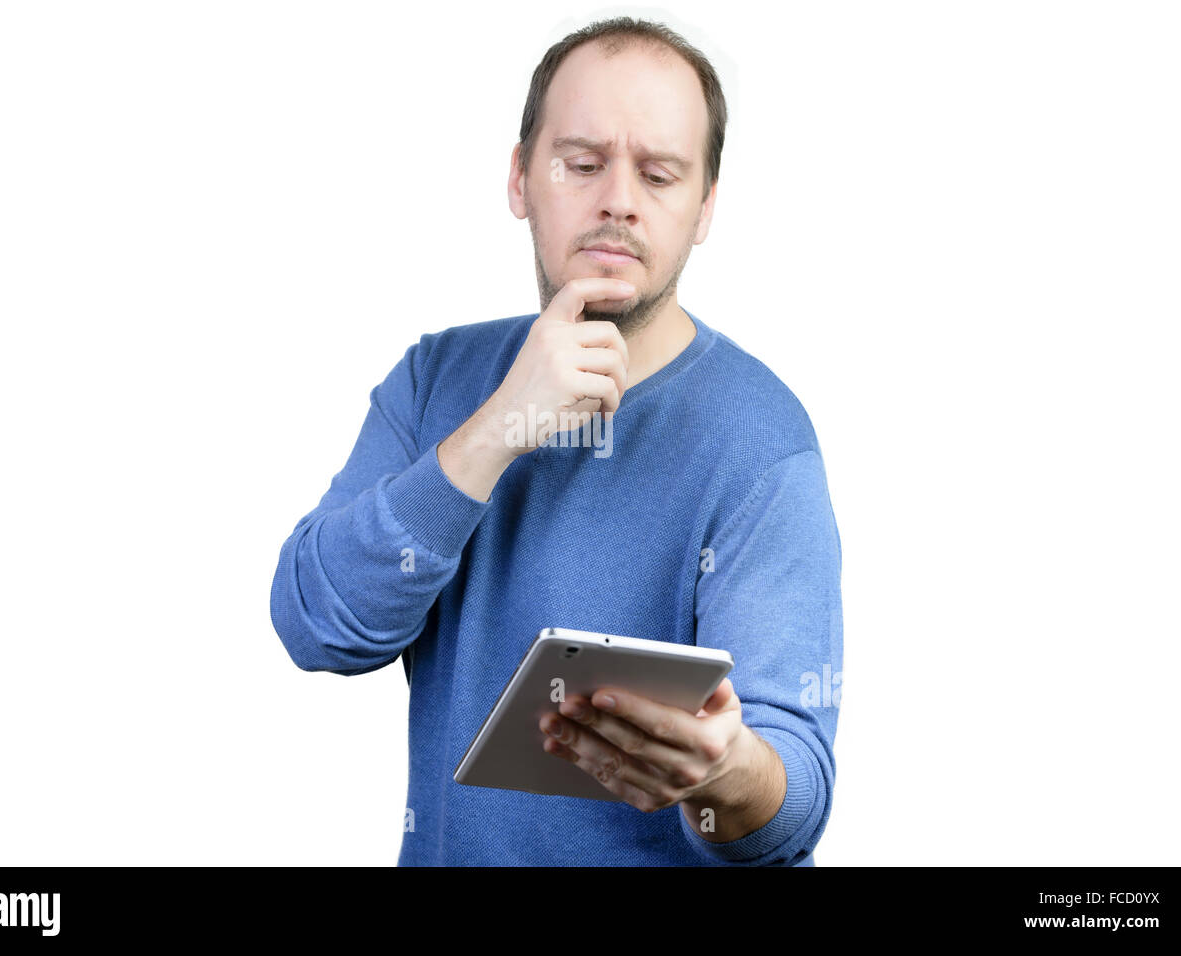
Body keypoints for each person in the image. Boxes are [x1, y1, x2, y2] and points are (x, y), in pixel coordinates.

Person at [270, 16, 843, 866]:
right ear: (519, 178)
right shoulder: (435, 379)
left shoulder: (763, 440)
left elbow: (788, 817)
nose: (618, 198)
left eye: (659, 174)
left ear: (705, 209)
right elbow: (316, 626)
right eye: (582, 163)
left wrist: (730, 773)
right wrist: (500, 427)